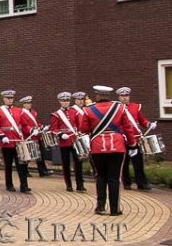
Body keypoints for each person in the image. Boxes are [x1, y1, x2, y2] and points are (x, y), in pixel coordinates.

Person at [77, 85, 135, 216]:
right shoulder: (120, 108)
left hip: (97, 148)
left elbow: (83, 130)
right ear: (108, 95)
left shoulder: (88, 110)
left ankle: (100, 207)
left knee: (100, 176)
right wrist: (132, 143)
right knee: (114, 178)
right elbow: (128, 128)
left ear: (97, 95)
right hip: (117, 147)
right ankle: (115, 209)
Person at [0, 90, 30, 193]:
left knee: (21, 164)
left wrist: (31, 130)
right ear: (4, 99)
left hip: (18, 141)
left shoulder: (19, 110)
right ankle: (9, 185)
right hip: (7, 142)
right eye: (8, 98)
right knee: (8, 164)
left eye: (11, 98)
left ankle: (24, 186)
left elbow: (24, 125)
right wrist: (2, 135)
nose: (10, 100)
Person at [117, 87, 154, 191]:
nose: (125, 98)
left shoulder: (136, 107)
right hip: (123, 139)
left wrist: (149, 124)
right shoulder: (117, 108)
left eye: (126, 96)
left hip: (135, 139)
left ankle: (141, 183)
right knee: (124, 163)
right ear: (119, 97)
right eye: (122, 96)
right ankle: (127, 183)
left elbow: (142, 120)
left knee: (138, 163)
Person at [50, 92, 85, 192]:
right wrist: (61, 134)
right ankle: (68, 185)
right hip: (64, 142)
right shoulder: (56, 114)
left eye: (67, 101)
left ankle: (80, 185)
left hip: (74, 140)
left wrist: (80, 133)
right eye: (63, 101)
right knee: (66, 165)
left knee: (78, 163)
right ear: (60, 102)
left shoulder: (75, 112)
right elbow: (53, 129)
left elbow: (79, 126)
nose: (65, 102)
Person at [20, 96, 50, 177]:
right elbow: (24, 125)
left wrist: (42, 127)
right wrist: (31, 130)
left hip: (36, 136)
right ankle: (25, 171)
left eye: (30, 103)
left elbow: (36, 123)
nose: (29, 104)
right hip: (29, 136)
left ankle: (42, 171)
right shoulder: (22, 113)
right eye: (27, 103)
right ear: (24, 104)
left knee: (40, 154)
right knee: (28, 154)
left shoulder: (33, 112)